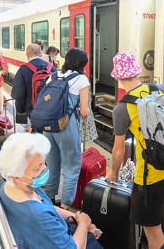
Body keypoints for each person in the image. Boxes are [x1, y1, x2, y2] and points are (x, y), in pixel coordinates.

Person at [106, 51, 164, 249]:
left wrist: (114, 172)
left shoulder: (122, 108)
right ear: (137, 72)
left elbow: (119, 151)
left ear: (118, 78)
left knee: (151, 228)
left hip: (149, 175)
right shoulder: (159, 89)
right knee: (159, 218)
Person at [0, 133, 102, 248]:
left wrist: (77, 218)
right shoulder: (37, 215)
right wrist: (83, 224)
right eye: (38, 168)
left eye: (44, 163)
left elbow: (48, 207)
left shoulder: (13, 186)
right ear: (16, 176)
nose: (45, 169)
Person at [43, 48, 90, 210]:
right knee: (71, 167)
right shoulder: (81, 79)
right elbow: (84, 111)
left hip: (48, 126)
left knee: (52, 163)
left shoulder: (54, 75)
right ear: (82, 62)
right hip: (66, 127)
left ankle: (49, 200)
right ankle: (65, 207)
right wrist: (82, 110)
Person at [11, 44, 57, 118]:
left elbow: (18, 93)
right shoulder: (51, 68)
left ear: (27, 55)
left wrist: (21, 110)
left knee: (35, 128)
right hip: (50, 108)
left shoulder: (23, 70)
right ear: (41, 53)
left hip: (32, 109)